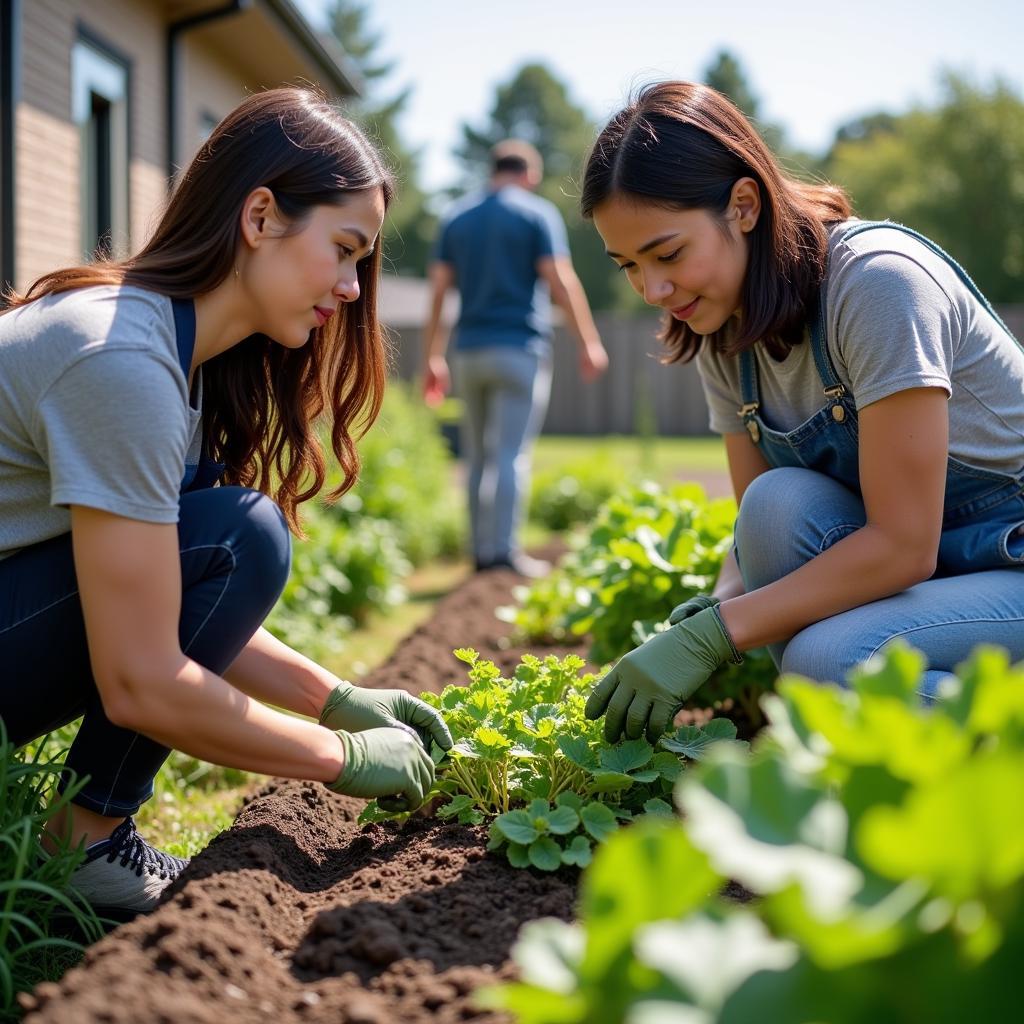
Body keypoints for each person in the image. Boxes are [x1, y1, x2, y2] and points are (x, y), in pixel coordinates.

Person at [0, 87, 452, 919]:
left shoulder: (174, 355)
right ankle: (84, 843)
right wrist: (340, 754)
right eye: (345, 249)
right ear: (259, 217)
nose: (354, 289)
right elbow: (142, 678)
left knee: (232, 536)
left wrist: (334, 697)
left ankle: (80, 837)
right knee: (244, 534)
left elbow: (164, 593)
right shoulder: (121, 364)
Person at [578, 81, 1024, 745]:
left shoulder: (877, 284)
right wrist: (716, 605)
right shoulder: (721, 332)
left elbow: (903, 546)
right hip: (935, 573)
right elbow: (758, 530)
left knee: (828, 663)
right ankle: (844, 742)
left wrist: (715, 639)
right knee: (773, 505)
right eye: (629, 266)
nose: (654, 290)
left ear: (744, 206)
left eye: (667, 253)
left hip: (1002, 558)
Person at [422, 139, 608, 576]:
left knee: (476, 458)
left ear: (493, 170)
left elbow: (438, 292)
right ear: (529, 175)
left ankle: (478, 552)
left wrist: (433, 354)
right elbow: (560, 281)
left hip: (468, 353)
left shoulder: (457, 217)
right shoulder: (536, 214)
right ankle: (503, 553)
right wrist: (589, 341)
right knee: (510, 455)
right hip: (519, 351)